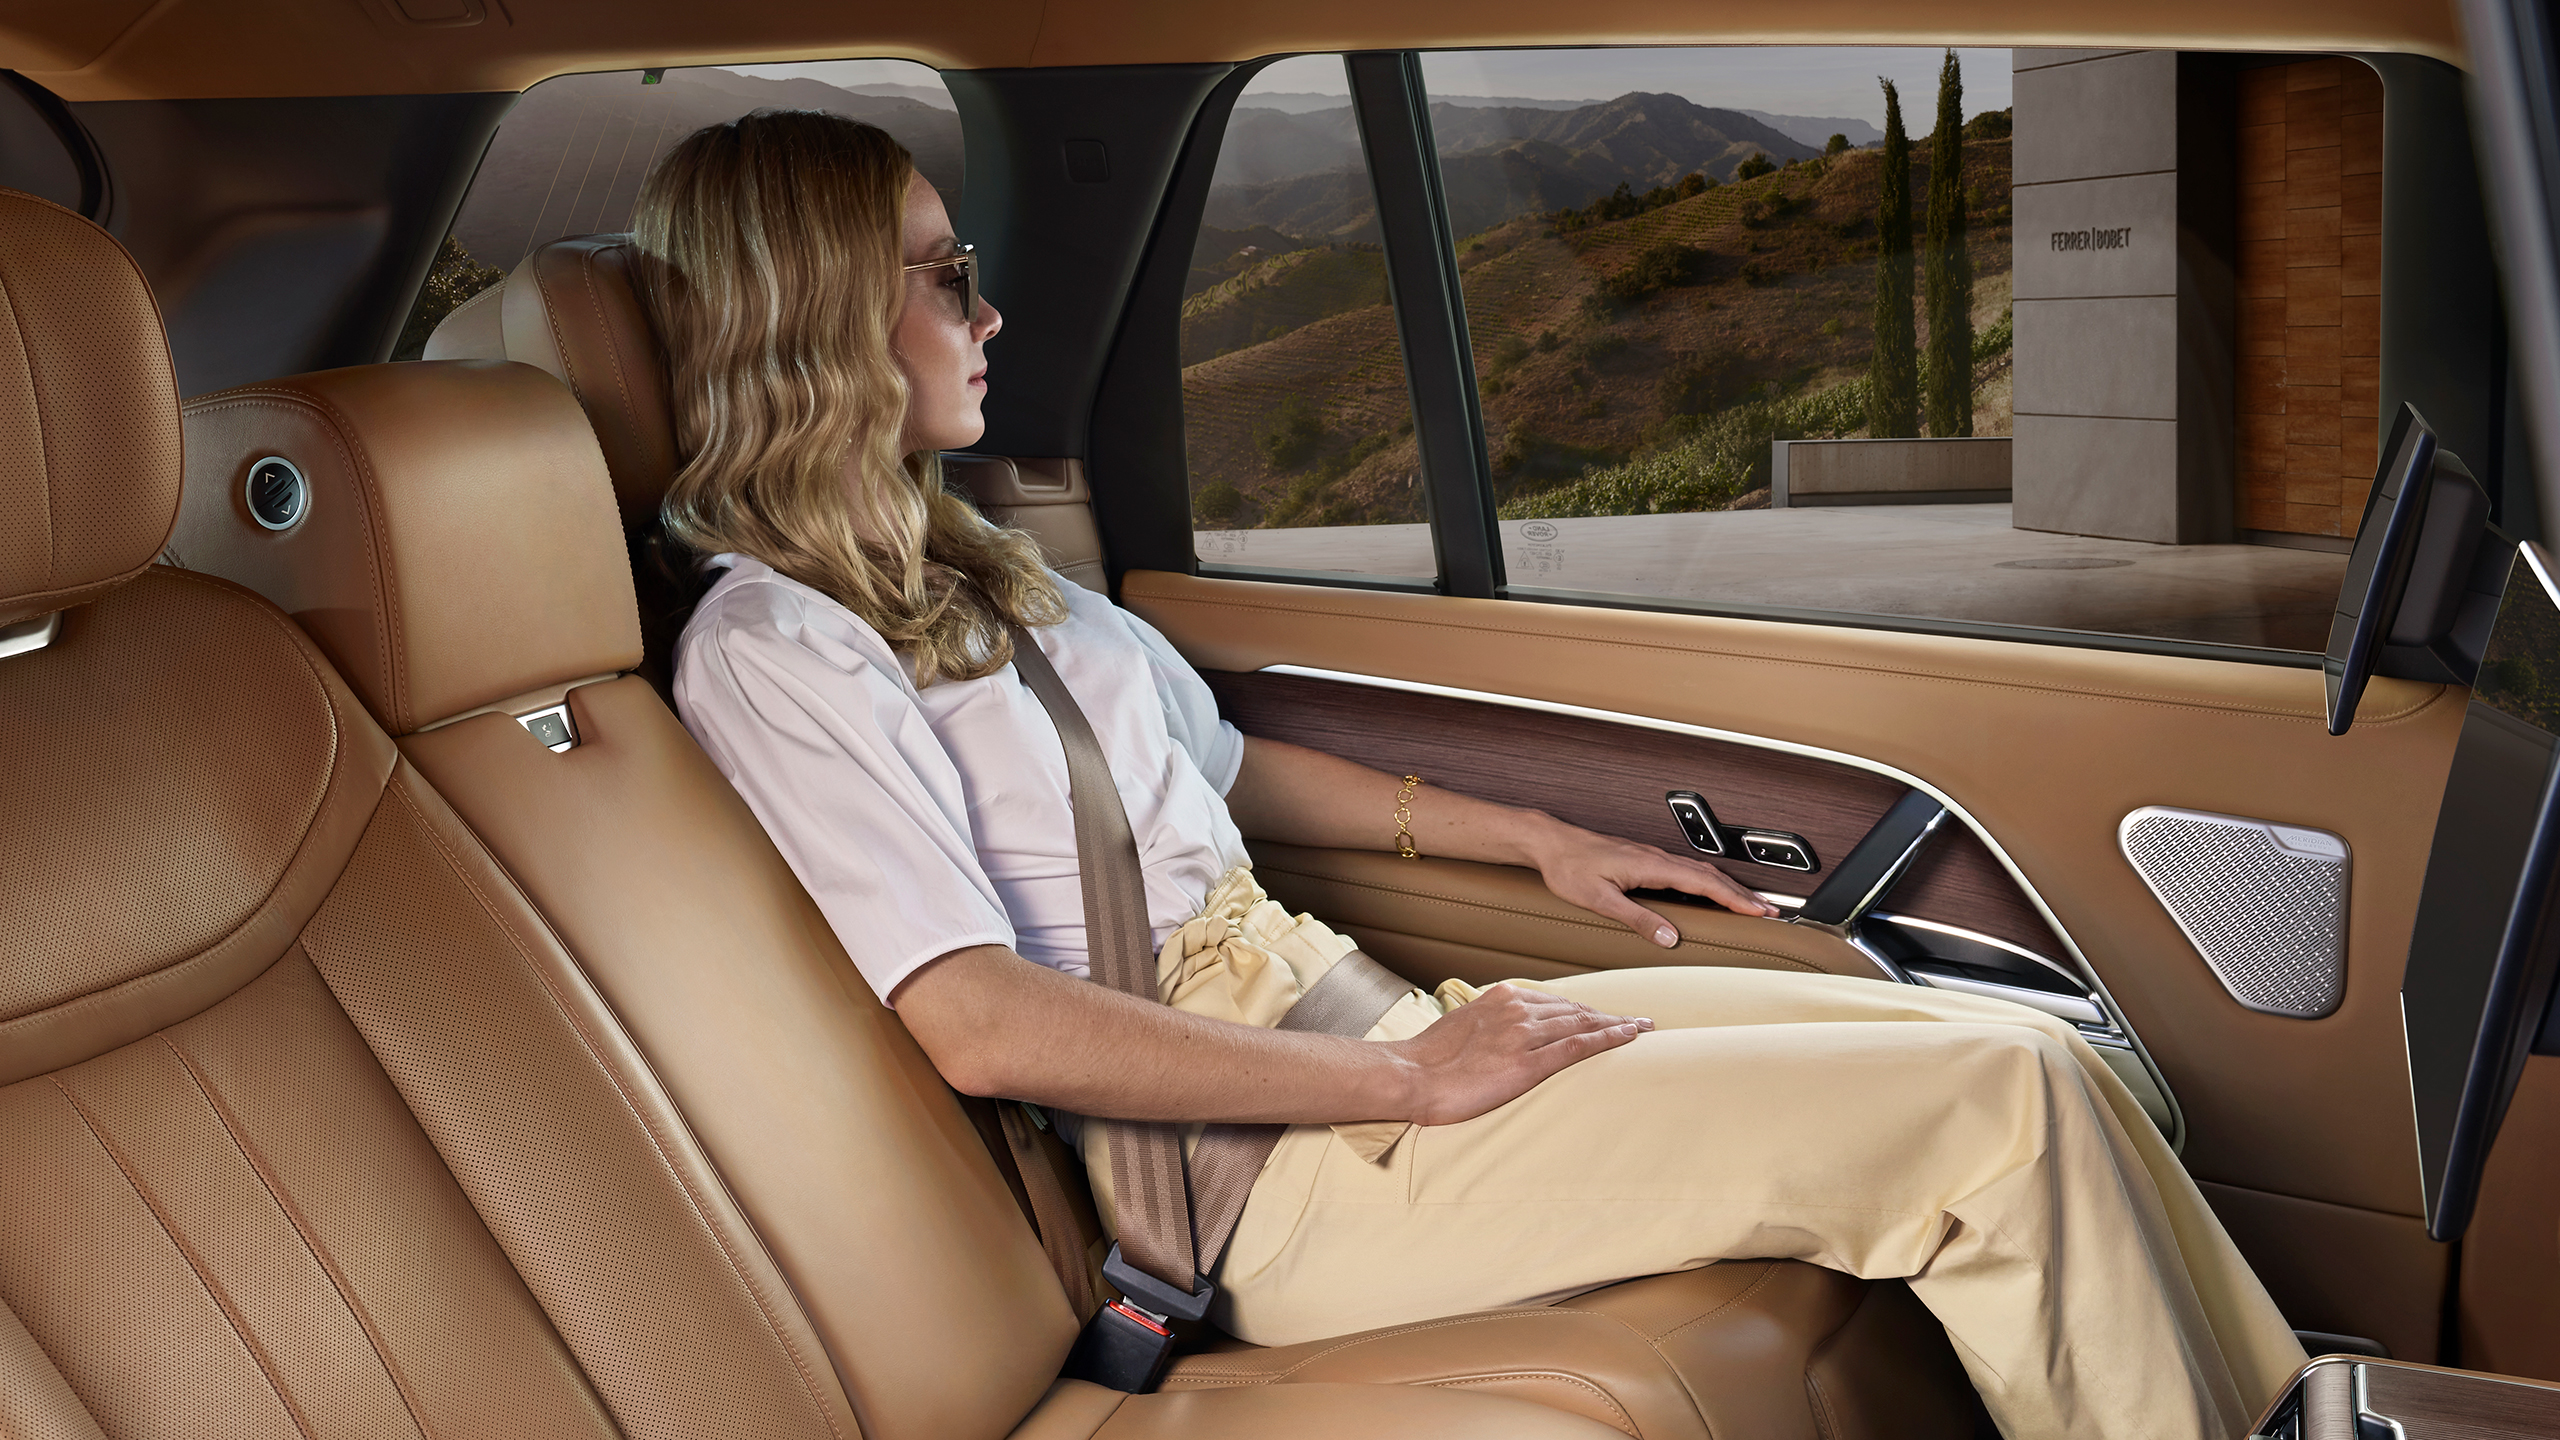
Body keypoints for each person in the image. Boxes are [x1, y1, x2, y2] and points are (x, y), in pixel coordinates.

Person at [638, 109, 2306, 1440]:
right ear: (813, 324)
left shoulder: (982, 559)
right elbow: (974, 1019)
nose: (989, 310)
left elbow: (1220, 771)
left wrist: (1532, 839)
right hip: (1258, 1173)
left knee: (2027, 1041)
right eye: (943, 277)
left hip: (1353, 1023)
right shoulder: (776, 651)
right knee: (1994, 1120)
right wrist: (1408, 1087)